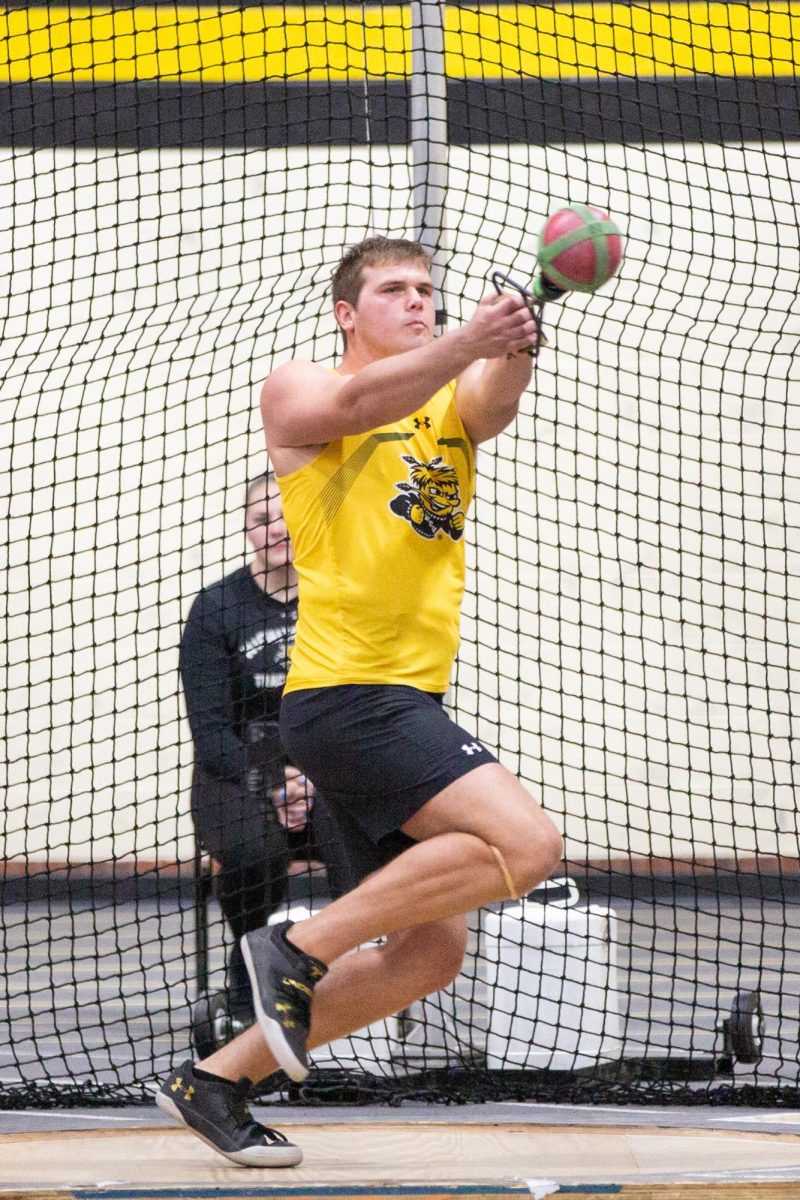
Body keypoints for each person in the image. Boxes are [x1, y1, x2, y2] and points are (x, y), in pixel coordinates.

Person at [157, 236, 564, 1167]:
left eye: (427, 290)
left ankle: (216, 1080)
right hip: (349, 696)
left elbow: (491, 406)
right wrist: (469, 339)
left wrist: (520, 339)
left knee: (429, 956)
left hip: (402, 695)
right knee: (530, 845)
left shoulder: (444, 403)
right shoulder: (297, 390)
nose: (417, 302)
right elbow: (354, 401)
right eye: (394, 290)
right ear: (347, 311)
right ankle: (297, 950)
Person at [179, 472, 349, 1031]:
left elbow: (358, 707)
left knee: (366, 843)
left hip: (329, 766)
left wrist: (315, 781)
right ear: (247, 530)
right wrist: (275, 782)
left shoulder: (339, 598)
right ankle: (247, 971)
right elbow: (211, 733)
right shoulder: (216, 609)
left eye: (288, 515)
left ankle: (351, 980)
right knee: (256, 855)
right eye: (261, 520)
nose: (277, 528)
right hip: (234, 773)